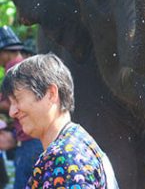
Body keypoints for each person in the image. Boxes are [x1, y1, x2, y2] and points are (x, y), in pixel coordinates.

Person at [1, 53, 119, 189]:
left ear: (51, 93)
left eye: (17, 99)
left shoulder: (65, 158)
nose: (12, 112)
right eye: (10, 103)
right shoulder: (76, 140)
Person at [0, 27, 43, 189]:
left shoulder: (14, 71)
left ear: (5, 51)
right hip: (32, 138)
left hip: (30, 141)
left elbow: (18, 105)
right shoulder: (23, 67)